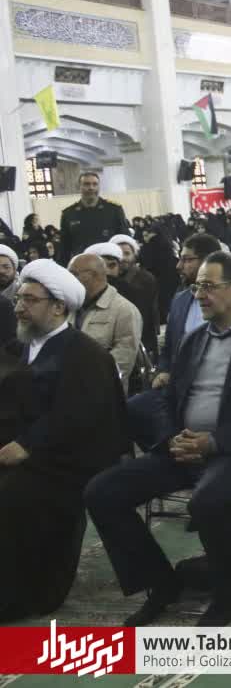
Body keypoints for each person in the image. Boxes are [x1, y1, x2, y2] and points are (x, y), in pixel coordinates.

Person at [86, 251, 231, 627]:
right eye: (196, 287)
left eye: (208, 286)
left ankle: (226, 597)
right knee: (102, 492)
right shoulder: (193, 339)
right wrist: (172, 438)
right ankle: (161, 582)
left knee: (208, 500)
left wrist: (214, 442)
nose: (199, 294)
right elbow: (168, 401)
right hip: (187, 449)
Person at [1, 260, 127, 622]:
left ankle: (22, 595)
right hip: (16, 451)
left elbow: (78, 418)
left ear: (58, 307)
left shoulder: (85, 355)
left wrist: (28, 445)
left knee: (10, 497)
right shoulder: (19, 348)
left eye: (30, 299)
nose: (19, 307)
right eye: (19, 299)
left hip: (61, 463)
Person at [125, 234, 231, 467]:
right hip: (180, 384)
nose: (178, 266)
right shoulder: (180, 300)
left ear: (208, 261)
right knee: (132, 409)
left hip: (228, 384)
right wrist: (163, 370)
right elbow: (169, 347)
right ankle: (177, 453)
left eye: (186, 259)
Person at [70, 248, 143, 381]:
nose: (69, 279)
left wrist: (80, 379)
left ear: (93, 275)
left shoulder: (125, 311)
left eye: (74, 274)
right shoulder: (69, 306)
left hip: (100, 387)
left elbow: (123, 362)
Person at [57, 171, 131, 264]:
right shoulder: (69, 214)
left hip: (108, 264)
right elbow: (64, 247)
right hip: (82, 264)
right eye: (86, 184)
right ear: (79, 187)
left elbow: (124, 239)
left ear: (99, 187)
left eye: (95, 184)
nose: (91, 188)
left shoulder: (113, 210)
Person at [112, 233, 159, 357]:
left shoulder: (145, 278)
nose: (123, 258)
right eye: (119, 253)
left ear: (134, 255)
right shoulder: (109, 278)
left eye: (127, 253)